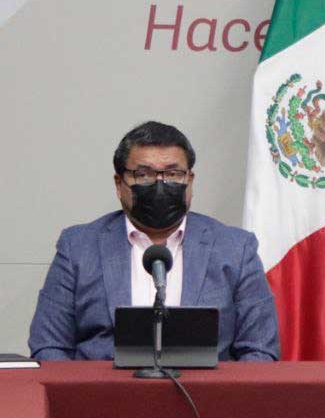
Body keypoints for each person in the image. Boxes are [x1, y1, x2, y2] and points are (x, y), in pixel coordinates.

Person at [28, 121, 280, 361]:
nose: (160, 185)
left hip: (204, 392)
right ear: (119, 183)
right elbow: (48, 346)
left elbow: (260, 350)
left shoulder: (236, 249)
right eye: (144, 174)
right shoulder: (78, 247)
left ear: (190, 181)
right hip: (102, 391)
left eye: (173, 174)